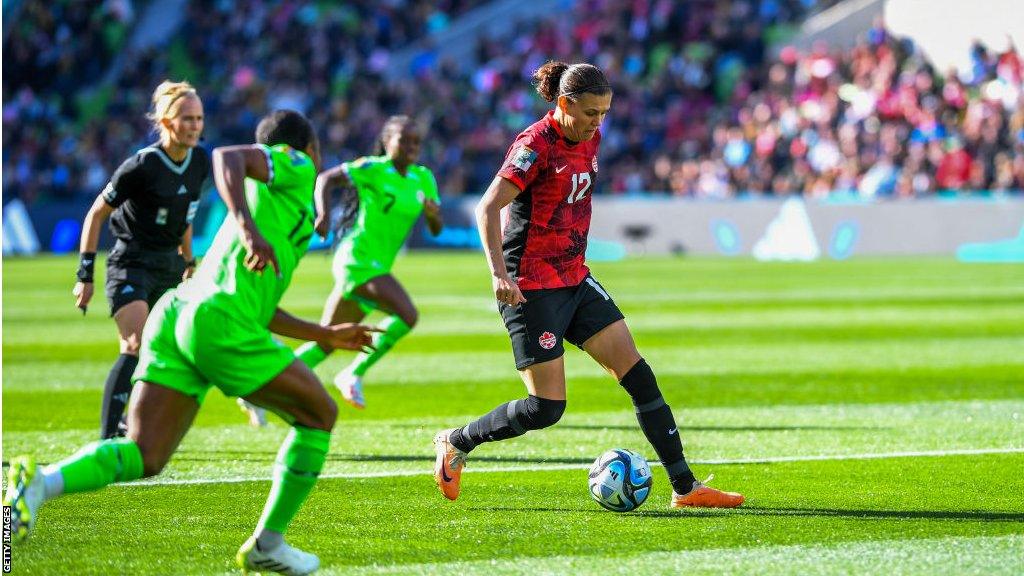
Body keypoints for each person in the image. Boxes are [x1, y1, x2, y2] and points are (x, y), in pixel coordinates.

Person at [4, 110, 380, 575]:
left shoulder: (280, 206)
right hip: (216, 322)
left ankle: (39, 482)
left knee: (146, 454)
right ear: (310, 147)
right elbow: (227, 156)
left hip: (178, 314)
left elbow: (261, 307)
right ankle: (268, 543)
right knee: (319, 414)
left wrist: (323, 334)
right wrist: (246, 225)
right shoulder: (294, 165)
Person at [431, 62, 744, 509]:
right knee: (546, 409)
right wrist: (499, 274)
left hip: (575, 278)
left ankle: (685, 488)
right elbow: (487, 208)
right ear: (564, 104)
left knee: (639, 375)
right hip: (531, 287)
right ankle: (456, 441)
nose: (599, 122)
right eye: (592, 112)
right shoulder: (533, 145)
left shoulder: (589, 137)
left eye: (605, 113)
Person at [74, 80, 209, 439]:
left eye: (199, 118)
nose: (195, 126)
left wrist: (189, 260)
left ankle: (130, 423)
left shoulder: (201, 160)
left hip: (169, 266)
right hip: (130, 263)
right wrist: (84, 275)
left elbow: (187, 214)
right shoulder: (142, 165)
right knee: (135, 344)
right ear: (166, 122)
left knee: (166, 351)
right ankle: (107, 439)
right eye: (187, 119)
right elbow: (95, 215)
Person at [287, 115, 443, 410]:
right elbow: (325, 179)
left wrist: (434, 216)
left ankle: (265, 382)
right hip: (356, 260)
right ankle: (353, 373)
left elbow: (436, 228)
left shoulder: (424, 177)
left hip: (377, 267)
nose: (412, 146)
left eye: (416, 142)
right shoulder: (373, 168)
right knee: (407, 314)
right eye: (404, 140)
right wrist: (322, 215)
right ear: (387, 142)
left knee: (327, 340)